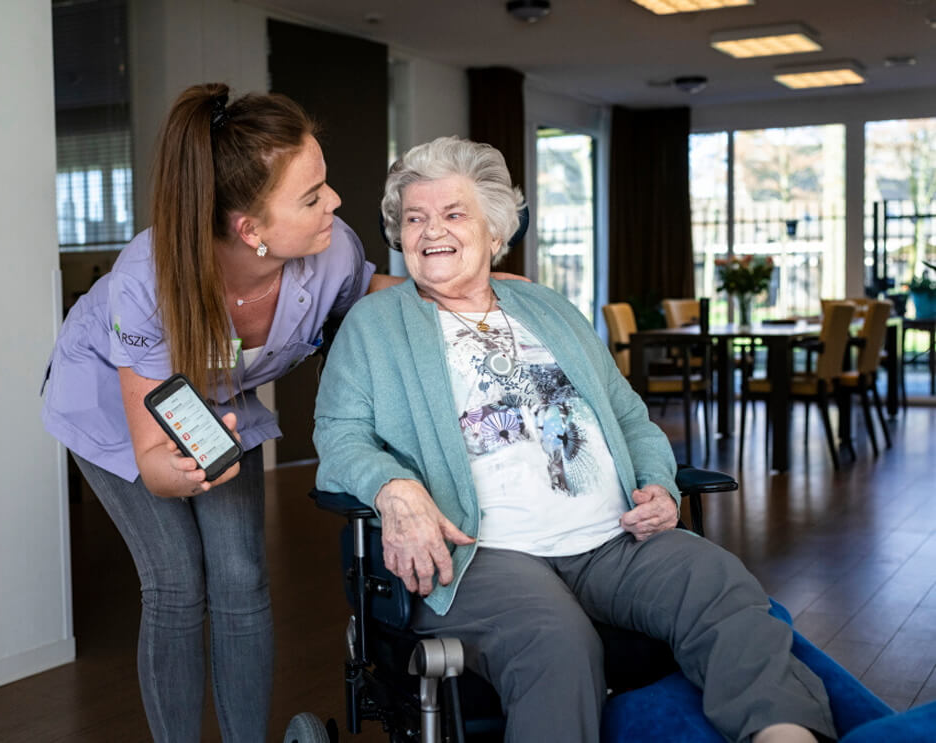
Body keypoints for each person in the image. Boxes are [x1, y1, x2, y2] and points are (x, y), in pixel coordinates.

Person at [313, 136, 837, 743]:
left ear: (493, 230)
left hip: (611, 539)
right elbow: (339, 435)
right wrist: (393, 488)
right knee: (555, 642)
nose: (433, 230)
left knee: (718, 583)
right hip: (483, 554)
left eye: (454, 214)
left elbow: (628, 414)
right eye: (415, 218)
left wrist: (656, 484)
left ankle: (785, 733)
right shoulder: (374, 326)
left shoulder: (546, 307)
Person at [42, 83, 402, 742]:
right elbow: (154, 465)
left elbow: (373, 295)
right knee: (177, 579)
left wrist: (463, 285)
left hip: (216, 400)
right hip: (109, 399)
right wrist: (177, 472)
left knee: (242, 575)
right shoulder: (145, 282)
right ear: (251, 229)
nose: (337, 202)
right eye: (313, 195)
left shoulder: (334, 251)